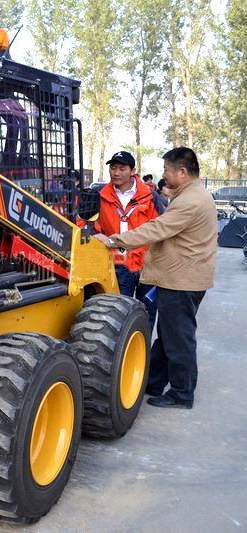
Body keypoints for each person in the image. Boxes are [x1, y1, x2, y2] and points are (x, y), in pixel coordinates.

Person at [93, 147, 217, 409]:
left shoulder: (190, 201)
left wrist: (116, 240)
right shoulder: (190, 195)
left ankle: (182, 393)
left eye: (167, 171)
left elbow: (157, 228)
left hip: (182, 279)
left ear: (182, 172)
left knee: (179, 338)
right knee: (168, 334)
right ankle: (154, 382)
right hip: (181, 275)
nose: (164, 176)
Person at [88, 150, 159, 328]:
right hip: (117, 264)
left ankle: (143, 353)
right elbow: (84, 223)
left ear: (133, 171)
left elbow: (163, 227)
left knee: (147, 314)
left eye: (121, 168)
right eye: (113, 168)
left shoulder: (151, 197)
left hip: (148, 267)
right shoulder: (99, 195)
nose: (116, 172)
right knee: (117, 315)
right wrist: (94, 233)